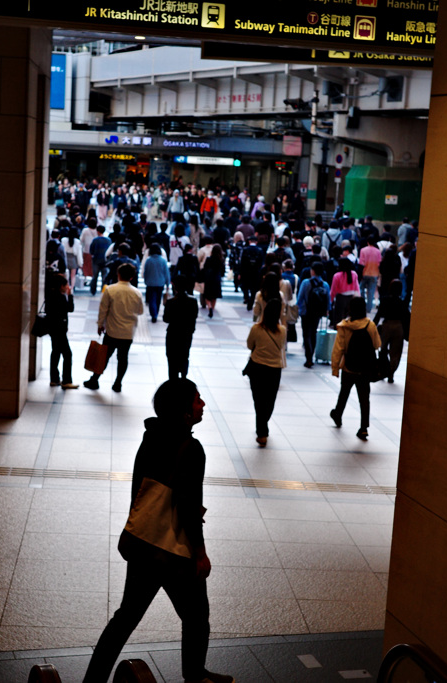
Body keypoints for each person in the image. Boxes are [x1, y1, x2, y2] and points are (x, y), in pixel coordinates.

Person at [82, 379, 232, 683]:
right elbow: (189, 506)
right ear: (185, 411)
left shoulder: (150, 437)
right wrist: (200, 553)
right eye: (197, 400)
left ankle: (92, 680)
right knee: (196, 615)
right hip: (175, 551)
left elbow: (141, 491)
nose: (202, 405)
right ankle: (195, 676)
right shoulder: (191, 448)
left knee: (125, 618)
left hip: (144, 545)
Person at [84, 263, 144, 392]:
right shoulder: (137, 293)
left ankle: (94, 379)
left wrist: (100, 325)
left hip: (112, 331)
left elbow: (103, 310)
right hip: (128, 333)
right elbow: (140, 311)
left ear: (118, 274)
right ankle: (118, 383)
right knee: (123, 358)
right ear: (132, 277)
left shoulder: (110, 290)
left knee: (104, 356)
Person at [329, 296, 382, 440]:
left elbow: (338, 349)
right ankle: (364, 427)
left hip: (349, 368)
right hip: (365, 369)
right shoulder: (370, 325)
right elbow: (377, 344)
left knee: (344, 393)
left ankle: (338, 414)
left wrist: (335, 368)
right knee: (364, 398)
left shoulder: (344, 326)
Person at [245, 298, 287, 447]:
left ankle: (262, 430)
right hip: (274, 370)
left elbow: (250, 345)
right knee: (269, 400)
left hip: (256, 368)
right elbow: (282, 346)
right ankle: (262, 429)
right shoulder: (282, 331)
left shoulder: (256, 329)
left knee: (259, 400)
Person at [45, 272, 79, 389]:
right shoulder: (59, 297)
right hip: (59, 330)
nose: (67, 287)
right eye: (66, 285)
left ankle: (54, 379)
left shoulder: (50, 295)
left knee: (55, 353)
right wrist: (70, 295)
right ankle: (66, 380)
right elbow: (70, 308)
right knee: (67, 354)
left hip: (53, 329)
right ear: (61, 286)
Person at [373, 279, 410, 384]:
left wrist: (372, 326)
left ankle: (382, 370)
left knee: (383, 348)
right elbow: (407, 317)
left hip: (387, 325)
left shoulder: (385, 300)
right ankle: (391, 373)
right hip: (398, 327)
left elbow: (379, 314)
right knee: (396, 352)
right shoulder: (402, 303)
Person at [163, 276, 199, 380]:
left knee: (171, 357)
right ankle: (183, 376)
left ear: (175, 287)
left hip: (173, 333)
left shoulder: (171, 302)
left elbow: (166, 319)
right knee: (184, 355)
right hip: (186, 333)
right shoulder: (193, 301)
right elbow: (194, 316)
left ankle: (173, 379)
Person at [297, 264, 330, 368]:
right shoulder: (325, 284)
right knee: (313, 333)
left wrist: (299, 310)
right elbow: (328, 300)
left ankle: (309, 358)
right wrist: (326, 311)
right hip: (317, 313)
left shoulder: (306, 283)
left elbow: (300, 298)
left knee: (306, 334)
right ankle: (312, 355)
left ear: (313, 271)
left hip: (306, 312)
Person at [143, 243, 171, 323]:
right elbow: (166, 273)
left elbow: (146, 272)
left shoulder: (149, 260)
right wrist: (167, 284)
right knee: (158, 299)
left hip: (150, 283)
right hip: (160, 283)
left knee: (151, 299)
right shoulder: (163, 260)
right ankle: (156, 313)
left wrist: (146, 280)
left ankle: (153, 314)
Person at [329, 257, 362, 324]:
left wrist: (330, 301)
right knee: (350, 318)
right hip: (352, 298)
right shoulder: (354, 274)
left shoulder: (337, 276)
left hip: (341, 298)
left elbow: (333, 290)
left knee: (339, 319)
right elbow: (357, 287)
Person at [199, 245, 224, 318]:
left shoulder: (209, 259)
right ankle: (212, 308)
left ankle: (209, 307)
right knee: (214, 296)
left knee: (207, 295)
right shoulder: (221, 259)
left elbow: (205, 267)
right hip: (217, 278)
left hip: (209, 278)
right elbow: (222, 270)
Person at [358, 236, 382, 313]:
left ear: (367, 242)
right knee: (371, 292)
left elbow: (361, 263)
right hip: (374, 273)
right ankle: (368, 308)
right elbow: (379, 263)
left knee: (361, 289)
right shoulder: (378, 251)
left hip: (365, 272)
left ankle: (361, 305)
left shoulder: (363, 250)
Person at [88, 225, 111, 295]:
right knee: (104, 277)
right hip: (105, 261)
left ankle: (93, 290)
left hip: (96, 261)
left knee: (95, 276)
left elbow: (91, 251)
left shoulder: (95, 240)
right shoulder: (108, 240)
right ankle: (103, 291)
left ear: (97, 231)